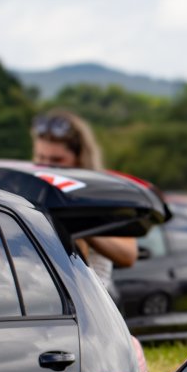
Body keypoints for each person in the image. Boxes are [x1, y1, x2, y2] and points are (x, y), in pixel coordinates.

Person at [30, 109, 138, 297]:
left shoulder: (100, 193)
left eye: (57, 160)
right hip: (43, 298)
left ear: (80, 158)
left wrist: (80, 224)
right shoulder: (31, 191)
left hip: (92, 302)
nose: (46, 166)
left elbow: (128, 255)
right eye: (41, 158)